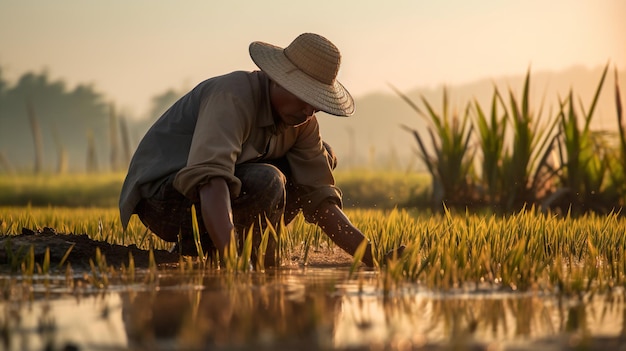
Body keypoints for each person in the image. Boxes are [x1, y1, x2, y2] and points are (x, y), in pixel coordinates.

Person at [119, 33, 401, 267]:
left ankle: (259, 258)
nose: (309, 109)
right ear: (278, 79)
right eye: (304, 96)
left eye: (315, 102)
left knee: (320, 158)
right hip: (163, 197)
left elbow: (320, 200)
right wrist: (235, 266)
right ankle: (231, 255)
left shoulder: (304, 123)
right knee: (269, 179)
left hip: (216, 197)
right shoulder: (233, 97)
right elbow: (211, 180)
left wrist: (372, 258)